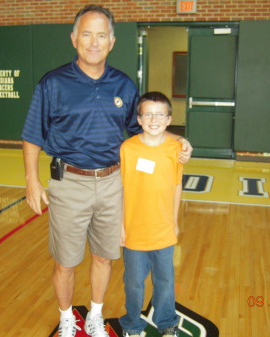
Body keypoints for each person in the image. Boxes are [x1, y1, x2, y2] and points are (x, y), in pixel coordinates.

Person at [21, 5, 192, 337]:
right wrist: (31, 179)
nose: (94, 42)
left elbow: (141, 128)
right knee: (66, 262)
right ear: (74, 39)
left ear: (112, 41)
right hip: (68, 182)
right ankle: (68, 317)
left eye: (102, 35)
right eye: (87, 34)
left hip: (114, 183)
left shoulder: (124, 86)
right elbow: (32, 135)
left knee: (104, 257)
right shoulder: (52, 83)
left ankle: (96, 316)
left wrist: (179, 139)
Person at [119, 92, 183, 337]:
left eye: (160, 115)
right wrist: (121, 226)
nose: (153, 119)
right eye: (147, 114)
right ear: (139, 119)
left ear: (169, 120)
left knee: (165, 281)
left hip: (163, 230)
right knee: (134, 283)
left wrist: (174, 221)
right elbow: (121, 188)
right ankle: (132, 324)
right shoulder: (128, 148)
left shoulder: (174, 149)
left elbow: (177, 186)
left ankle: (167, 322)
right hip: (134, 230)